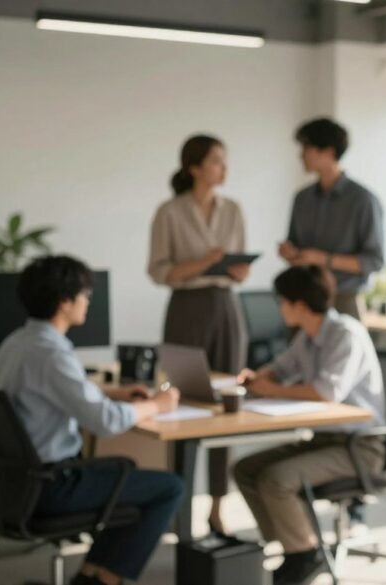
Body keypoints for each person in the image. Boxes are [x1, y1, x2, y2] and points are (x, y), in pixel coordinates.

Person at [0, 256, 183, 585]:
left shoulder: (15, 344)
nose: (87, 302)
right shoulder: (52, 353)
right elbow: (105, 422)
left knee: (124, 476)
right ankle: (105, 580)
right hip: (53, 486)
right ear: (64, 302)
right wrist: (157, 405)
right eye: (84, 295)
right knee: (168, 487)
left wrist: (110, 392)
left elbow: (49, 390)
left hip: (12, 486)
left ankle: (90, 576)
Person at [232, 266, 386, 585]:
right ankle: (296, 546)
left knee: (277, 478)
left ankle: (305, 555)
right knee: (245, 468)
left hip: (360, 446)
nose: (279, 308)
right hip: (322, 440)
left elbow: (325, 393)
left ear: (300, 304)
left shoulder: (346, 334)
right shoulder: (308, 336)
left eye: (282, 301)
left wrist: (271, 389)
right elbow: (279, 368)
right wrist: (258, 378)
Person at [148, 134, 249, 536]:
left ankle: (218, 506)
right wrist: (202, 263)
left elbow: (241, 269)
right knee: (183, 402)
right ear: (194, 166)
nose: (223, 169)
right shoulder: (169, 212)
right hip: (186, 308)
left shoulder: (234, 210)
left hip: (226, 306)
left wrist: (234, 269)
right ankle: (179, 502)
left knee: (228, 404)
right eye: (216, 162)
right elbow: (159, 272)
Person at [278, 118, 384, 320]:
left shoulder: (363, 200)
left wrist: (322, 259)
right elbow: (295, 245)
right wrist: (291, 252)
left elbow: (374, 261)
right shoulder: (302, 198)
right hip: (302, 300)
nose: (301, 155)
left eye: (307, 147)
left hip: (343, 300)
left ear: (328, 151)